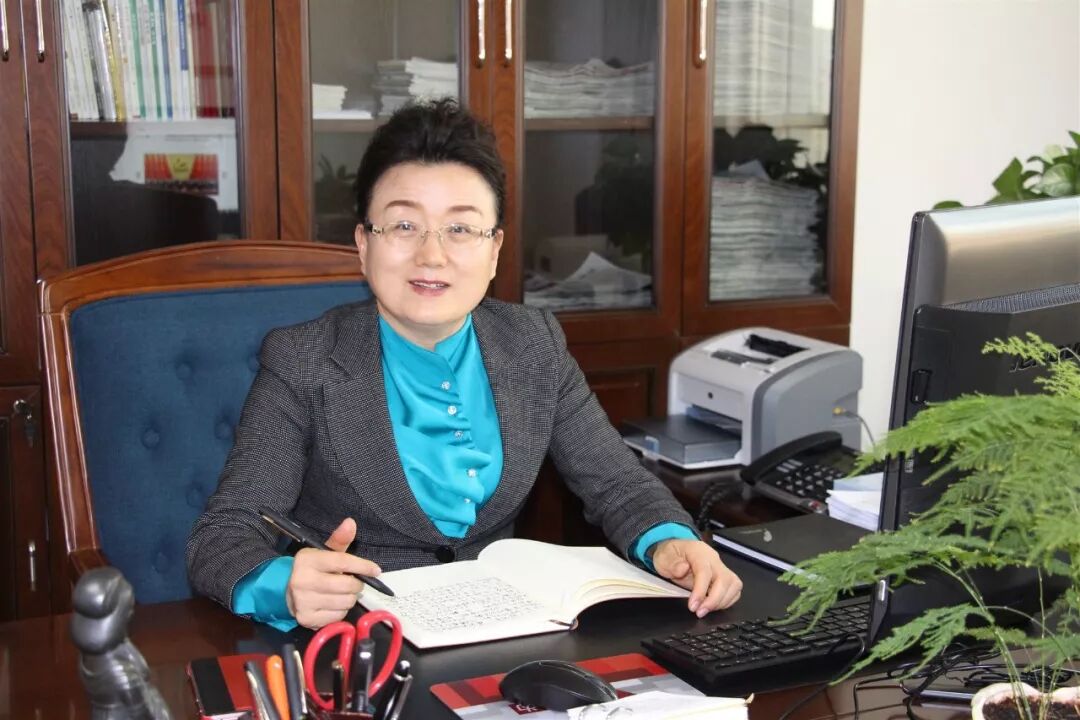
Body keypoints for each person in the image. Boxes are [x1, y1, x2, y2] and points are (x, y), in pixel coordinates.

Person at [186, 98, 742, 631]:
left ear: (495, 249)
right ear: (363, 244)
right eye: (404, 226)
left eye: (460, 228)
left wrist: (672, 542)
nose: (432, 255)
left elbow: (619, 485)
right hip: (360, 647)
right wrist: (283, 583)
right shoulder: (304, 359)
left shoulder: (534, 345)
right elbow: (222, 538)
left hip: (508, 638)